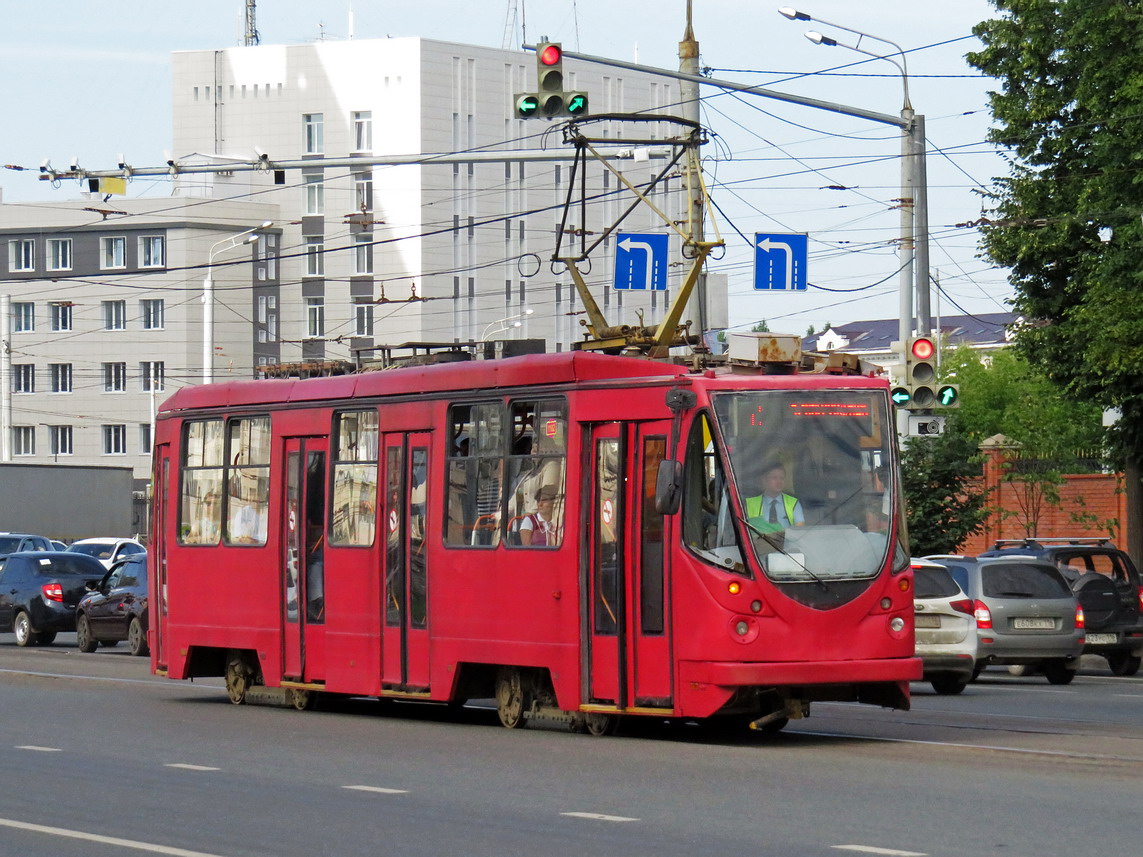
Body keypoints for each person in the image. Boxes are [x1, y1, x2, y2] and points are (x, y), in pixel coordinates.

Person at [745, 461, 804, 533]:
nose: (779, 481)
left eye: (782, 478)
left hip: (787, 543)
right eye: (774, 478)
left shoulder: (793, 503)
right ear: (765, 480)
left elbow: (800, 529)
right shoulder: (750, 503)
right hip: (757, 543)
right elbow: (744, 530)